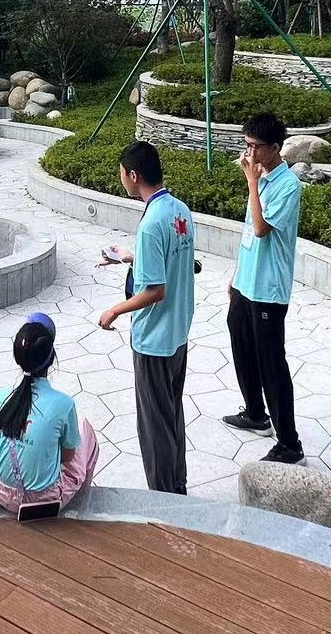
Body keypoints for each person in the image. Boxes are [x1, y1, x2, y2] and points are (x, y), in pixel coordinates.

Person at [99, 141, 196, 494]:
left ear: (133, 175)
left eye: (122, 174)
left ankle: (165, 498)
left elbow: (156, 291)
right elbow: (174, 261)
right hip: (178, 332)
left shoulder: (152, 223)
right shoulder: (179, 210)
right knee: (171, 413)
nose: (121, 179)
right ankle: (178, 484)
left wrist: (114, 310)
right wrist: (131, 258)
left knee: (154, 427)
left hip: (154, 338)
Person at [221, 112, 306, 464]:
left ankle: (290, 444)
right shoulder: (262, 179)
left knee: (272, 364)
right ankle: (256, 413)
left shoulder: (287, 186)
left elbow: (260, 229)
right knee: (241, 344)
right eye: (247, 145)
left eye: (256, 147)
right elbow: (247, 234)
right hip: (247, 283)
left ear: (275, 148)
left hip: (268, 290)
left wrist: (252, 183)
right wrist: (236, 275)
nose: (250, 154)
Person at [0, 315, 100, 513]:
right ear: (52, 358)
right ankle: (82, 510)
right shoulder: (64, 404)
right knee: (86, 433)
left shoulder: (2, 396)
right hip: (42, 502)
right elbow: (67, 457)